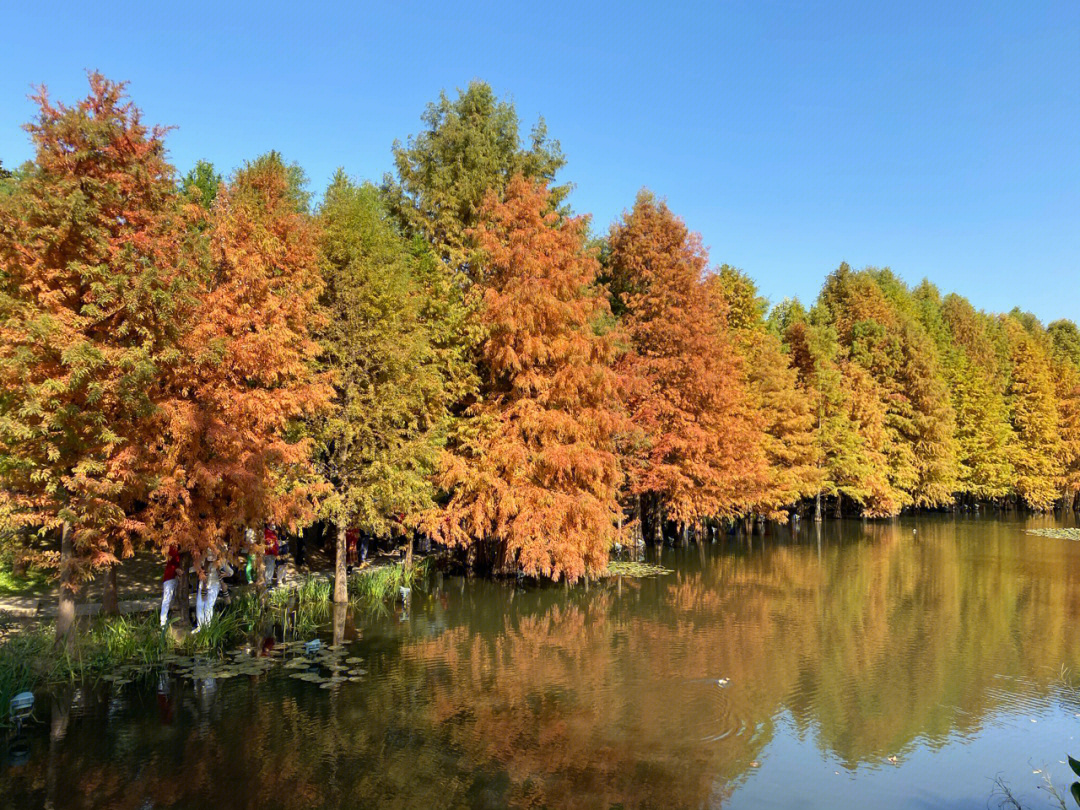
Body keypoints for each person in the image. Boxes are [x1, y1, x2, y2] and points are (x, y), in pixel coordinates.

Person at [160, 545, 181, 628]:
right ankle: (163, 622)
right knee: (167, 599)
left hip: (179, 578)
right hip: (170, 577)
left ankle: (174, 617)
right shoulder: (173, 546)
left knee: (176, 598)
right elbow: (172, 557)